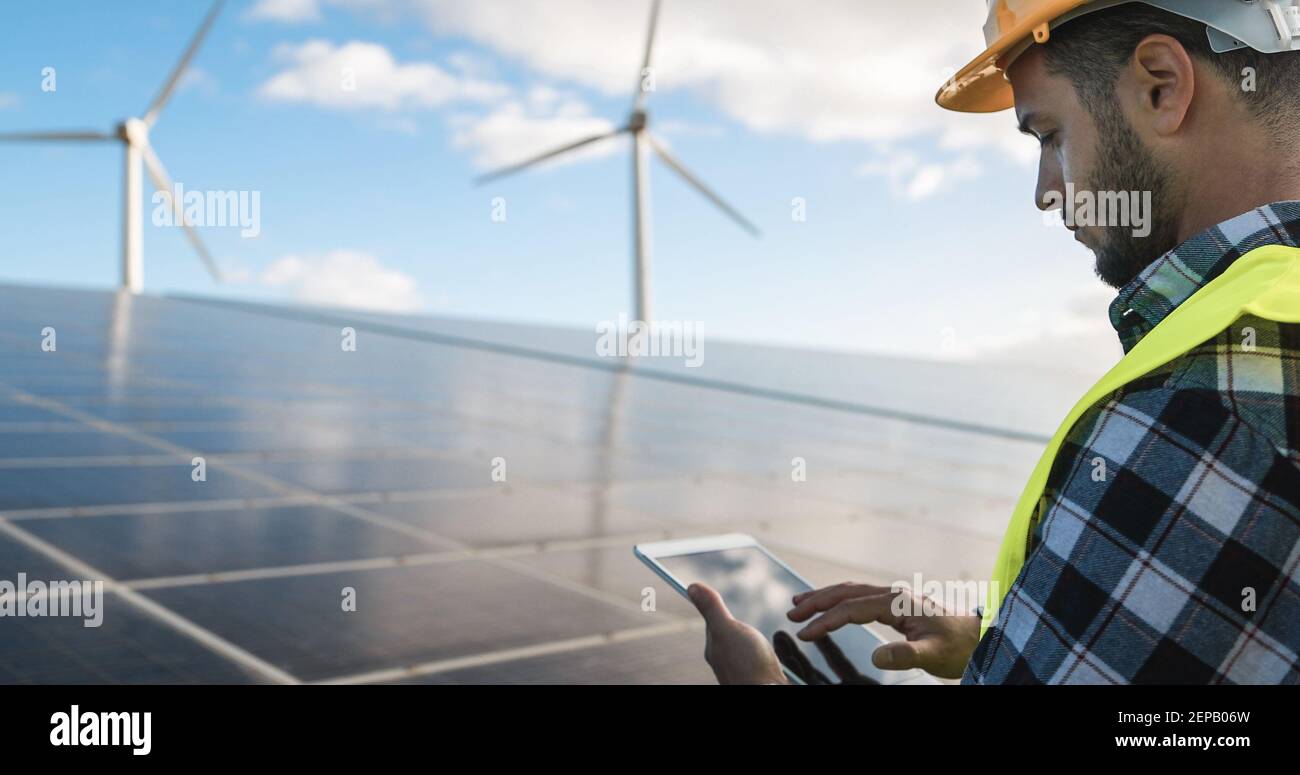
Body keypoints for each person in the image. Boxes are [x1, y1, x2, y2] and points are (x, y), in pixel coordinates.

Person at [691, 0, 1300, 685]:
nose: (1045, 191)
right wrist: (1004, 641)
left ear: (1161, 84)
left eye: (1048, 133)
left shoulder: (1208, 405)